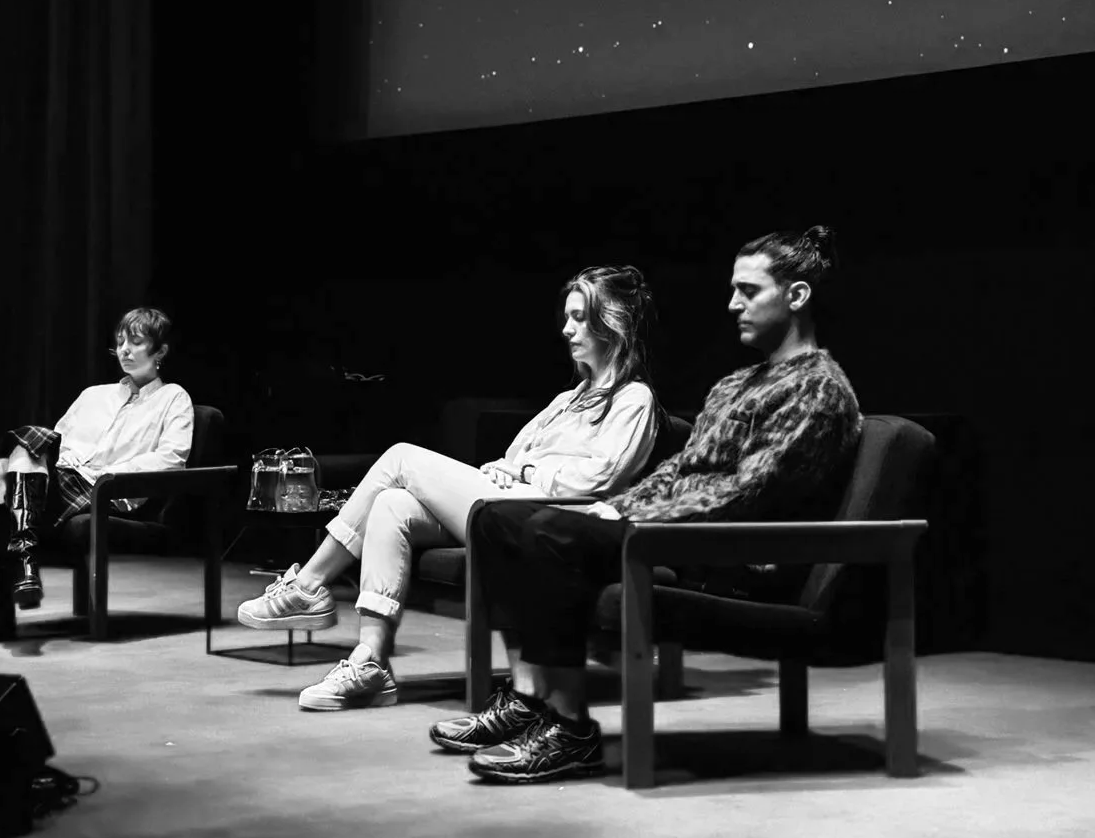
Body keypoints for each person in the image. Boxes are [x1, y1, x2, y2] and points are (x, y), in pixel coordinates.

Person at [436, 226, 863, 783]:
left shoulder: (818, 388)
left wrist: (629, 515)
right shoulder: (734, 385)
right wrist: (619, 506)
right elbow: (678, 472)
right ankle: (528, 698)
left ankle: (570, 731)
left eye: (748, 290)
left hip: (730, 555)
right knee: (496, 518)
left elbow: (751, 491)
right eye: (732, 290)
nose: (732, 304)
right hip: (679, 533)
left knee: (550, 532)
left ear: (797, 295)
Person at [237, 266, 661, 711]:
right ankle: (370, 661)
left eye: (579, 318)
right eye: (568, 317)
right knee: (392, 504)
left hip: (557, 521)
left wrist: (525, 471)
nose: (566, 329)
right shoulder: (567, 399)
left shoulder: (635, 399)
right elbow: (513, 456)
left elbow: (598, 480)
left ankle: (308, 584)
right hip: (512, 503)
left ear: (611, 324)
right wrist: (507, 469)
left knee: (401, 457)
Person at [0, 307, 193, 645]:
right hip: (61, 481)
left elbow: (171, 458)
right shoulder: (93, 395)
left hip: (106, 490)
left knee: (4, 474)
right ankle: (20, 563)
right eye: (120, 342)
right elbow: (56, 443)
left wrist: (109, 473)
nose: (125, 350)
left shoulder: (173, 398)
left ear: (160, 351)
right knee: (4, 463)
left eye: (136, 342)